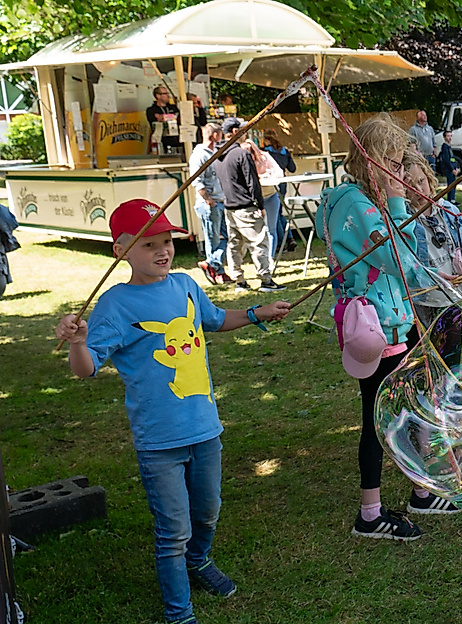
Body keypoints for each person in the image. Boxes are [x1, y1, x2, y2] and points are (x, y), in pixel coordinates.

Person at [55, 199, 290, 624]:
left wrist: (258, 312)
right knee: (173, 531)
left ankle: (199, 561)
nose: (162, 251)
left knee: (207, 511)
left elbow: (215, 320)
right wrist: (77, 341)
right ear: (121, 250)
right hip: (159, 440)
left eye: (166, 241)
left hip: (204, 429)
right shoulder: (116, 305)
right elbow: (86, 369)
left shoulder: (184, 285)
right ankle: (178, 612)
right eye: (149, 244)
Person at [317, 114, 462, 541]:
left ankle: (420, 491)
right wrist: (398, 200)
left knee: (404, 406)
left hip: (392, 321)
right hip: (376, 327)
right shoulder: (358, 205)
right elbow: (400, 258)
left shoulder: (362, 200)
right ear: (374, 161)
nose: (400, 172)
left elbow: (408, 263)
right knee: (379, 417)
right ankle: (370, 513)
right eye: (395, 164)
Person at [402, 149, 462, 347]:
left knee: (451, 367)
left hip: (450, 302)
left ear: (429, 178)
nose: (418, 190)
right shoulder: (403, 221)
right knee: (424, 368)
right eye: (409, 186)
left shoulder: (450, 212)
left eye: (421, 181)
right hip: (421, 305)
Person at [215, 118, 285, 292]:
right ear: (234, 132)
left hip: (229, 206)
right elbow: (252, 182)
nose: (245, 132)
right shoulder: (241, 154)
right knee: (259, 243)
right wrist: (259, 204)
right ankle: (266, 280)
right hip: (246, 205)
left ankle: (239, 280)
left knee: (235, 245)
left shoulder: (218, 156)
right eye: (243, 129)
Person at [191, 123, 231, 285]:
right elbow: (196, 180)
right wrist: (209, 201)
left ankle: (211, 264)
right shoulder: (199, 155)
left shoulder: (214, 152)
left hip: (221, 201)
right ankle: (217, 269)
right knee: (213, 239)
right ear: (214, 135)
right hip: (209, 204)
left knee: (229, 237)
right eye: (220, 134)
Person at [243, 139, 286, 260]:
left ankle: (269, 259)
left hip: (270, 194)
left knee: (270, 229)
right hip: (252, 199)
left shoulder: (265, 157)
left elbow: (279, 173)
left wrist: (266, 176)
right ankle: (259, 258)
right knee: (256, 231)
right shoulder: (241, 160)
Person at [261, 129, 297, 254]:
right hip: (283, 184)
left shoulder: (266, 153)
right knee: (279, 212)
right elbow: (292, 168)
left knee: (275, 215)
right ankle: (290, 237)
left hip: (271, 184)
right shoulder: (284, 151)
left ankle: (281, 242)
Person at [146, 86, 181, 153]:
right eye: (165, 93)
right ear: (158, 96)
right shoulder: (151, 110)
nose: (168, 96)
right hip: (161, 140)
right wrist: (172, 117)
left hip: (176, 139)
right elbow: (153, 122)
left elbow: (178, 118)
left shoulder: (173, 107)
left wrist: (163, 117)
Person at [436, 131, 462, 202]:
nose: (450, 138)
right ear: (444, 137)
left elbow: (452, 158)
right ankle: (451, 199)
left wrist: (456, 167)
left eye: (451, 136)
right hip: (449, 169)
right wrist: (452, 169)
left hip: (453, 168)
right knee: (451, 184)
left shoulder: (449, 147)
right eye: (448, 136)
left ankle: (452, 198)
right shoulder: (444, 147)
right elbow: (446, 159)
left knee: (453, 183)